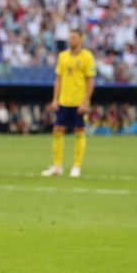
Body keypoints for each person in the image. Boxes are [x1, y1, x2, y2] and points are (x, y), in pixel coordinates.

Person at [42, 29, 95, 178]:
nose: (71, 40)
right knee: (57, 130)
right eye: (70, 37)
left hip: (79, 102)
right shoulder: (62, 56)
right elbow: (58, 78)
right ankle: (57, 166)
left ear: (81, 39)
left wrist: (86, 101)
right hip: (64, 101)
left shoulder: (87, 57)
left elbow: (90, 81)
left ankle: (76, 166)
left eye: (74, 38)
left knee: (79, 131)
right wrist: (55, 99)